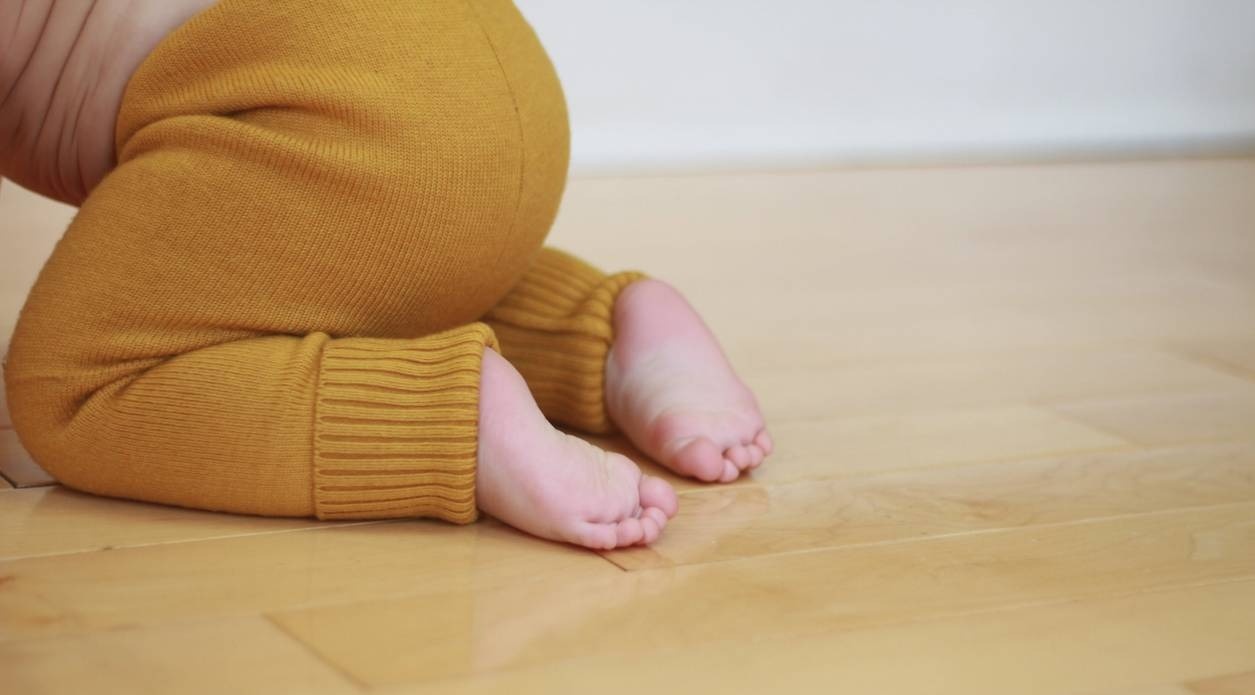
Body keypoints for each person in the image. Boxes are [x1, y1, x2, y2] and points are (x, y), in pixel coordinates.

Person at [0, 0, 772, 550]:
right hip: (483, 64)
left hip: (326, 98)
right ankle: (598, 337)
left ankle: (451, 417)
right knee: (354, 265)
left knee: (76, 385)